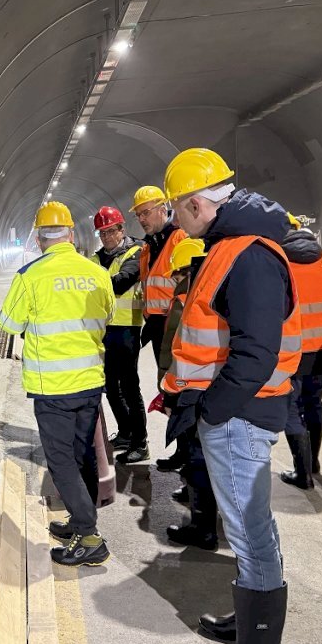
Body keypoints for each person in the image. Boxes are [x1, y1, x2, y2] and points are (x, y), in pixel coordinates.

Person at [160, 148, 300, 644]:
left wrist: (213, 413)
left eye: (177, 209)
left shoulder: (248, 255)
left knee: (249, 531)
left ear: (197, 204)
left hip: (239, 416)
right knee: (249, 526)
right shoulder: (230, 247)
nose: (175, 220)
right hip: (235, 414)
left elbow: (256, 353)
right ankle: (247, 626)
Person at [0, 201, 115, 566]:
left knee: (61, 462)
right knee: (82, 454)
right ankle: (80, 523)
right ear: (72, 234)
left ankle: (89, 535)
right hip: (90, 383)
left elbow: (8, 324)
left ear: (38, 238)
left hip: (53, 388)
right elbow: (109, 313)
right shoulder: (96, 272)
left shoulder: (30, 276)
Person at [158, 238, 220, 550]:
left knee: (198, 458)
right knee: (208, 457)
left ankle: (203, 528)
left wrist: (169, 392)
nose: (175, 279)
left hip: (193, 389)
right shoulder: (217, 290)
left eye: (178, 273)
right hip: (213, 388)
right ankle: (203, 509)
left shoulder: (188, 298)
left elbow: (177, 349)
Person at [278, 215, 322, 489]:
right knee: (314, 404)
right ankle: (312, 462)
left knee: (291, 407)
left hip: (290, 349)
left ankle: (302, 473)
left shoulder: (278, 262)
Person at [131, 185, 188, 470]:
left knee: (181, 388)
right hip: (157, 326)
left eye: (146, 212)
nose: (142, 219)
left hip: (176, 325)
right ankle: (182, 449)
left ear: (162, 209)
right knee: (168, 388)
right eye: (139, 215)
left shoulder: (179, 239)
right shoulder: (147, 247)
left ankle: (188, 454)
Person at [89, 206, 148, 463]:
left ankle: (140, 442)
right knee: (111, 387)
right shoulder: (95, 258)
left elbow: (122, 282)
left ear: (121, 229)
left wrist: (94, 283)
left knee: (130, 387)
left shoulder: (136, 252)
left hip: (127, 329)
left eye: (110, 231)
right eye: (102, 233)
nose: (106, 237)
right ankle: (125, 433)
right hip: (104, 330)